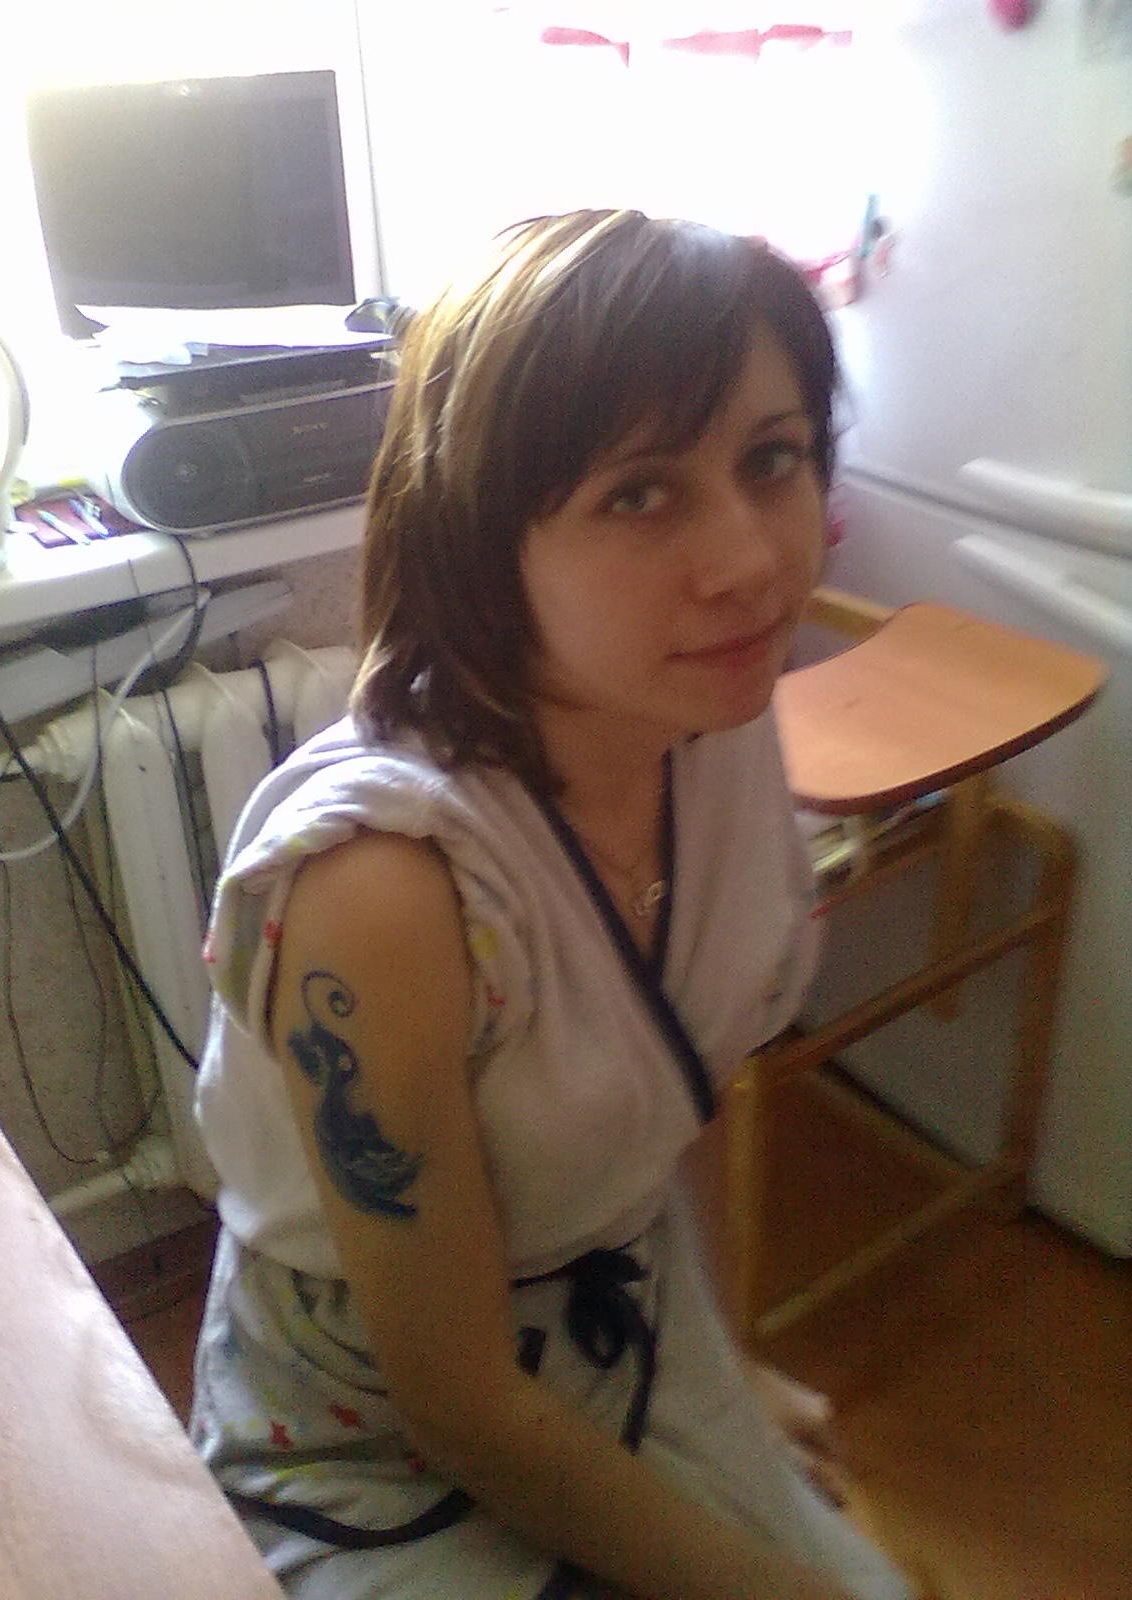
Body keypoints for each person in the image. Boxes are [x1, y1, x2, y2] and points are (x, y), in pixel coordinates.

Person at [190, 208, 920, 1600]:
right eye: (640, 494)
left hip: (626, 1302)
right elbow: (458, 1403)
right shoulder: (383, 893)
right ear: (479, 537)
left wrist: (726, 1358)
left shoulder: (711, 725)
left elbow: (678, 1080)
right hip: (370, 1431)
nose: (752, 562)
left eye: (771, 461)